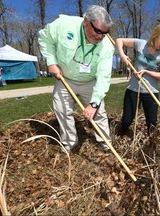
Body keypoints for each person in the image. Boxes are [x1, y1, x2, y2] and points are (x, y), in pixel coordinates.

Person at [38, 5, 114, 151]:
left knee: (99, 113)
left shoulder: (106, 47)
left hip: (89, 82)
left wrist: (94, 103)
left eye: (105, 33)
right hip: (64, 79)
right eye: (97, 31)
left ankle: (105, 143)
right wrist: (51, 62)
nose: (100, 36)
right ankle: (69, 143)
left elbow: (104, 77)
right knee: (62, 110)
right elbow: (44, 37)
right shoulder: (64, 25)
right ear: (86, 22)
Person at [115, 24, 160, 137]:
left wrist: (146, 72)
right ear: (156, 36)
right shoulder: (141, 44)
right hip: (133, 89)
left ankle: (151, 146)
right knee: (126, 120)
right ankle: (119, 136)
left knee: (152, 124)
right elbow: (119, 40)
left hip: (151, 92)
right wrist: (122, 55)